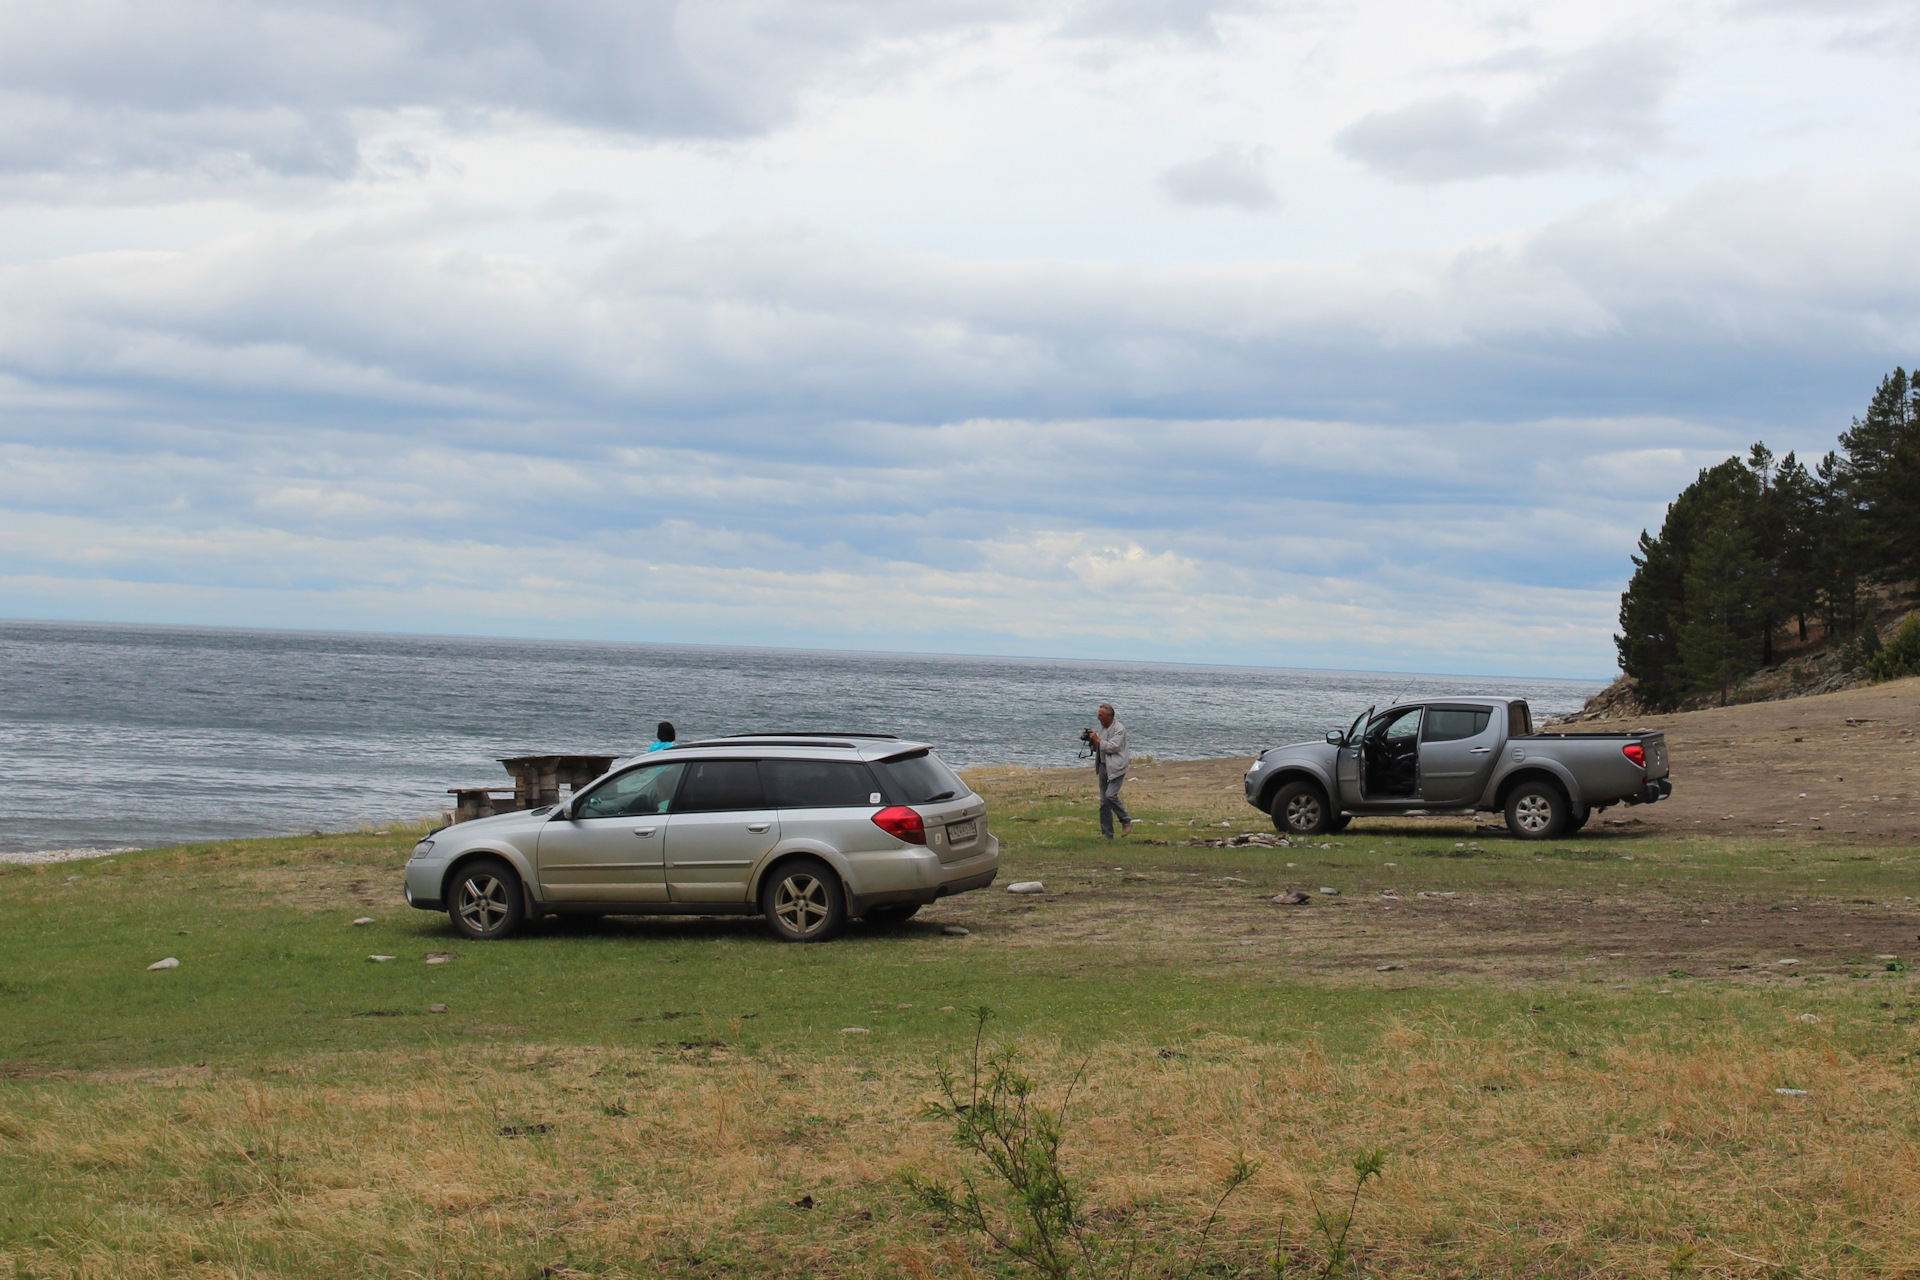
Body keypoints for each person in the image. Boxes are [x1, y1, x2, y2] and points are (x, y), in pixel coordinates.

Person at [1085, 702, 1132, 838]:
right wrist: (1091, 740)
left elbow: (1113, 747)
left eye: (1100, 715)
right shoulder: (1103, 728)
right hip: (1103, 766)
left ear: (1109, 716)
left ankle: (1126, 820)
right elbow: (1099, 745)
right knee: (1104, 802)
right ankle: (1107, 835)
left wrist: (1098, 740)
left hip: (1117, 767)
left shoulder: (1119, 729)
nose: (1098, 718)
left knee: (1110, 795)